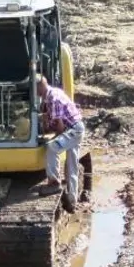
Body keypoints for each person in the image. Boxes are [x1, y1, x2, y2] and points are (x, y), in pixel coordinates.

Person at [34, 73, 85, 207]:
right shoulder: (51, 95)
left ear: (39, 87)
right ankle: (72, 201)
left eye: (34, 89)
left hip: (73, 131)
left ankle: (54, 183)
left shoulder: (53, 98)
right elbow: (54, 123)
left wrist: (52, 140)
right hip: (76, 128)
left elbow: (60, 127)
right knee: (72, 166)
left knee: (52, 147)